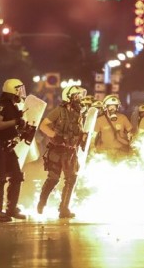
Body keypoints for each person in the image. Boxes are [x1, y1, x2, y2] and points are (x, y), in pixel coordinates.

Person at [37, 85, 87, 218]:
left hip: (71, 151)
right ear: (69, 97)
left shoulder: (79, 113)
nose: (79, 99)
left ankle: (64, 209)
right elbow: (43, 125)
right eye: (77, 96)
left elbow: (80, 130)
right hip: (57, 150)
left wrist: (82, 139)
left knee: (71, 179)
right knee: (53, 179)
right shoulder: (59, 111)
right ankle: (42, 201)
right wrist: (54, 135)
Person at [0, 79, 28, 222]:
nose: (21, 93)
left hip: (8, 146)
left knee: (16, 176)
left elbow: (13, 127)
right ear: (12, 90)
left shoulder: (14, 106)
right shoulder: (1, 105)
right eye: (18, 90)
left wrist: (23, 129)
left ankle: (11, 209)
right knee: (0, 179)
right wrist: (15, 122)